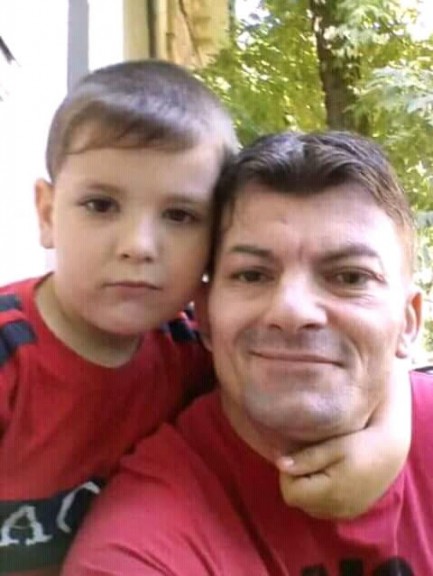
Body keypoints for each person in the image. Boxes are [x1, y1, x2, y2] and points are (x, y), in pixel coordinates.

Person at [62, 131, 432, 576]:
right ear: (204, 317)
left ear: (408, 321)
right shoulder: (138, 552)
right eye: (253, 275)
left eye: (350, 277)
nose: (292, 311)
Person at [0, 59, 237, 576]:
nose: (138, 246)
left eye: (179, 215)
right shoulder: (8, 356)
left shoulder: (197, 353)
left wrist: (376, 447)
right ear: (47, 213)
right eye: (101, 205)